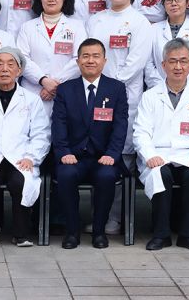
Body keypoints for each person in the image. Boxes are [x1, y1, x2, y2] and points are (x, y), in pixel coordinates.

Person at [135, 39, 189, 251]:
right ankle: (161, 235)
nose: (178, 67)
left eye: (183, 61)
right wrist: (149, 155)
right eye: (172, 61)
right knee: (161, 175)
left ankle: (188, 235)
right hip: (159, 154)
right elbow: (141, 132)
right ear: (163, 65)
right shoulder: (150, 96)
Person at [52, 38, 129, 250]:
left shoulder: (116, 89)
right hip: (73, 156)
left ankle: (99, 231)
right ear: (78, 61)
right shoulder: (66, 89)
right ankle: (72, 232)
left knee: (107, 176)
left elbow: (120, 125)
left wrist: (112, 153)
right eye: (85, 56)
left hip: (103, 156)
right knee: (65, 174)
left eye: (96, 56)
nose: (90, 60)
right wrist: (64, 152)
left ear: (104, 60)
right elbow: (59, 124)